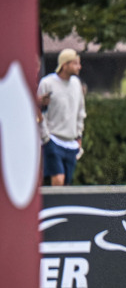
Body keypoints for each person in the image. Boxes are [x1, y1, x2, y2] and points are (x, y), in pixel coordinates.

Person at [38, 48, 86, 186]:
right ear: (64, 65)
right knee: (58, 179)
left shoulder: (76, 84)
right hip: (53, 139)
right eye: (75, 63)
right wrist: (46, 137)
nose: (79, 67)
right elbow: (39, 111)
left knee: (67, 183)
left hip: (71, 142)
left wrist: (79, 136)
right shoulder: (47, 83)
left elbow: (80, 112)